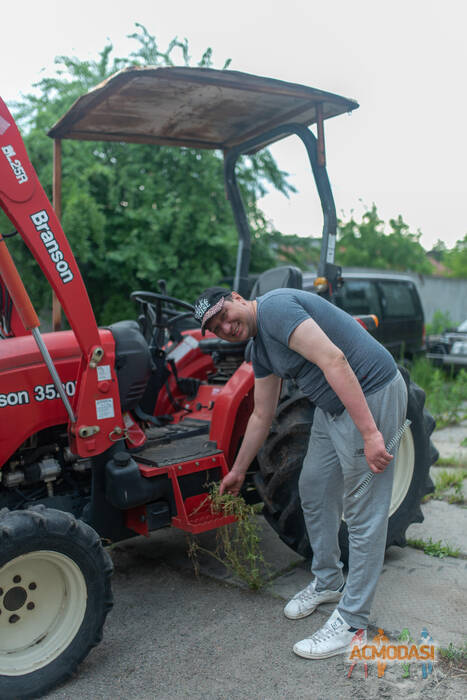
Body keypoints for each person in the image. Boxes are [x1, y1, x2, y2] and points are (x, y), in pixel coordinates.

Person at [193, 285, 408, 660]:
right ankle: (328, 579)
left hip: (371, 394)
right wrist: (239, 471)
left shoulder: (275, 309)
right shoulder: (259, 348)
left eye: (224, 314)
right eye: (215, 327)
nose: (225, 326)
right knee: (313, 487)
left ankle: (353, 622)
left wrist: (372, 433)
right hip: (332, 406)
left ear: (238, 298)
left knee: (362, 513)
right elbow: (261, 413)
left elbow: (335, 360)